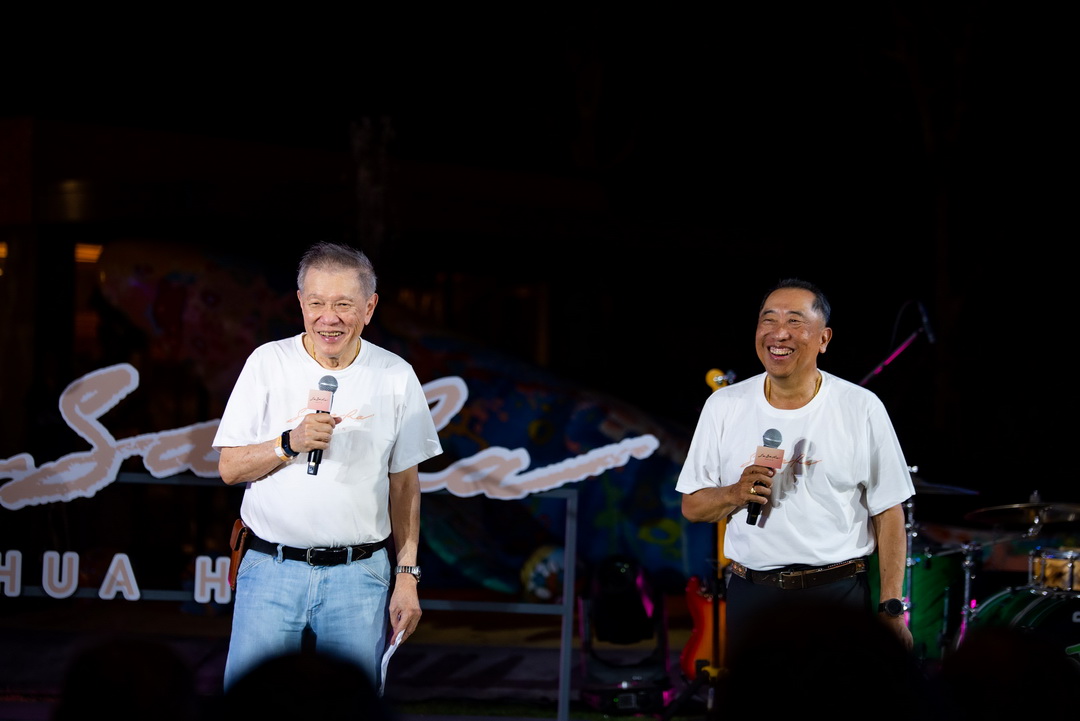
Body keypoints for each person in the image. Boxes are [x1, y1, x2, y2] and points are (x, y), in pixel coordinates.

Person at [213, 241, 443, 692]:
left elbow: (405, 486)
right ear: (300, 303)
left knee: (349, 713)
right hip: (269, 568)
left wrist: (407, 576)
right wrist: (288, 443)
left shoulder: (396, 376)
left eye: (343, 305)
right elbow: (229, 468)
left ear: (370, 307)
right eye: (316, 303)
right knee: (251, 712)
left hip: (360, 575)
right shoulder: (267, 363)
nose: (328, 318)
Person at [677, 278, 915, 661]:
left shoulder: (861, 406)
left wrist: (891, 608)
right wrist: (734, 493)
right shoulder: (724, 405)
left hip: (837, 594)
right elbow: (692, 506)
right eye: (768, 320)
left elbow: (888, 512)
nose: (779, 333)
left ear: (824, 338)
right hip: (751, 594)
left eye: (795, 321)